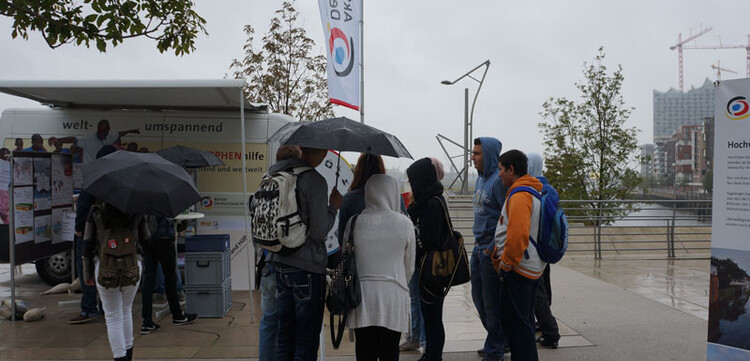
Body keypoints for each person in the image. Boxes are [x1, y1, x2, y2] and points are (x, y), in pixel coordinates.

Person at [269, 146, 342, 361]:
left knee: (285, 335)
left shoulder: (272, 174)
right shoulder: (314, 180)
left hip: (278, 262)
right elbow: (319, 232)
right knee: (306, 341)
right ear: (320, 155)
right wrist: (333, 207)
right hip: (307, 269)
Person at [346, 174, 415, 361]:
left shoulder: (354, 222)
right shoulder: (405, 223)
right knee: (390, 351)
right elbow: (409, 267)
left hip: (361, 298)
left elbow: (347, 258)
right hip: (394, 295)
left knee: (364, 352)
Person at [491, 149, 545, 361]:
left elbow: (518, 234)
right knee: (522, 325)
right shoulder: (530, 191)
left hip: (519, 270)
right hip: (527, 267)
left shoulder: (521, 195)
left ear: (511, 169)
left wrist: (506, 264)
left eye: (501, 170)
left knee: (518, 327)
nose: (499, 175)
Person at [81, 202, 151, 361]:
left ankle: (120, 357)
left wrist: (87, 274)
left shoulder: (96, 211)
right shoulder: (137, 209)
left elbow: (87, 245)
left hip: (105, 269)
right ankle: (129, 355)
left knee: (113, 317)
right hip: (132, 267)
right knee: (126, 310)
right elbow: (147, 240)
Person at [258, 145, 301, 361]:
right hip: (287, 260)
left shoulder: (266, 179)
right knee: (289, 321)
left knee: (268, 319)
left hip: (265, 259)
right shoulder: (293, 182)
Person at [406, 157, 450, 361]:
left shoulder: (432, 203)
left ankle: (434, 356)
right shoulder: (430, 199)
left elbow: (430, 238)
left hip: (432, 270)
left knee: (432, 317)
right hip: (430, 268)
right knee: (431, 315)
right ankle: (432, 354)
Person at [69, 145, 117, 325]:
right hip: (111, 232)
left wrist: (79, 227)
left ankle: (88, 309)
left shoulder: (95, 177)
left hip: (91, 230)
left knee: (86, 269)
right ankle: (107, 307)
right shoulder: (119, 178)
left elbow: (84, 204)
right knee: (107, 268)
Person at [469, 137, 507, 361]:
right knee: (478, 298)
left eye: (477, 153)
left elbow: (507, 218)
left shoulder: (497, 182)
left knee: (492, 302)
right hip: (478, 247)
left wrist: (491, 249)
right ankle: (497, 338)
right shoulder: (479, 180)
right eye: (473, 153)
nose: (473, 157)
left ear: (490, 156)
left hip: (490, 250)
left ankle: (495, 348)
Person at [140, 216, 198, 334]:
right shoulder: (164, 200)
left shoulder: (143, 200)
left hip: (147, 239)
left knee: (148, 280)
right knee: (170, 277)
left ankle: (147, 321)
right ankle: (177, 315)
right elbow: (169, 218)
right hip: (164, 239)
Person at [526, 152, 560, 349]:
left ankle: (550, 332)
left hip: (533, 248)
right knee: (543, 287)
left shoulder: (532, 189)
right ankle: (542, 325)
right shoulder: (548, 188)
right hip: (545, 247)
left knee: (537, 291)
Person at [52, 119, 139, 163]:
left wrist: (130, 131)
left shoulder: (110, 137)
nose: (101, 134)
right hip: (90, 170)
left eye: (104, 131)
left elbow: (119, 134)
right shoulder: (88, 139)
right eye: (99, 131)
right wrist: (58, 139)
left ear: (109, 130)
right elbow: (73, 139)